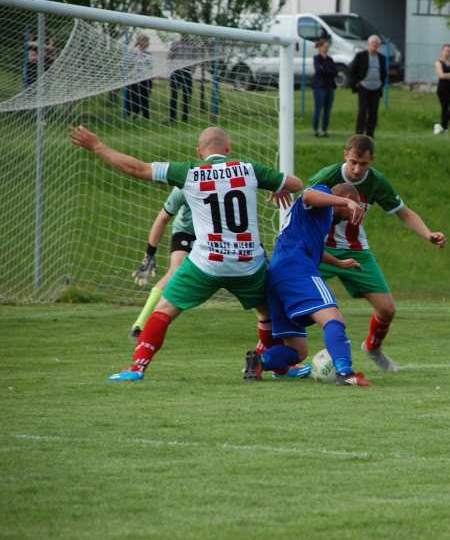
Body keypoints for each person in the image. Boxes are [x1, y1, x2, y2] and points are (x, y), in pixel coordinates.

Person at [68, 125, 303, 382]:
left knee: (165, 308)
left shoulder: (189, 172)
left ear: (199, 152)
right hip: (247, 263)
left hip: (207, 263)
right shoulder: (250, 168)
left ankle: (137, 368)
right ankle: (273, 364)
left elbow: (136, 168)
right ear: (228, 148)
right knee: (266, 312)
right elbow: (295, 184)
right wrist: (276, 186)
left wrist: (97, 146)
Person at [308, 135, 446, 372]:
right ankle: (277, 354)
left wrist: (428, 234)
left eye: (363, 164)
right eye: (353, 162)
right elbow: (305, 199)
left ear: (371, 162)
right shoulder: (328, 176)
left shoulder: (376, 182)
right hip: (321, 250)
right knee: (289, 299)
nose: (357, 169)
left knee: (387, 310)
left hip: (358, 252)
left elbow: (403, 212)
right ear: (345, 155)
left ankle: (373, 347)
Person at [244, 183, 372, 386]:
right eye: (349, 214)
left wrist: (339, 263)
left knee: (298, 351)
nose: (348, 219)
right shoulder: (323, 194)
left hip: (277, 276)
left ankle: (260, 361)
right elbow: (308, 196)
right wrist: (346, 202)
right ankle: (345, 373)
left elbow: (312, 248)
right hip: (297, 270)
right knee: (334, 320)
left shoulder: (318, 219)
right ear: (348, 196)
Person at [128, 187, 195, 340]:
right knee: (177, 271)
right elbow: (162, 218)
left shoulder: (228, 178)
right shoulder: (184, 184)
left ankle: (262, 321)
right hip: (187, 232)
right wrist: (149, 255)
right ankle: (141, 324)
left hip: (216, 233)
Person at [349, 35, 387, 138]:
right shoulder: (360, 56)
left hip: (376, 88)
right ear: (368, 44)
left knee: (373, 112)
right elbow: (352, 70)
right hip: (364, 87)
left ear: (378, 46)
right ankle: (359, 133)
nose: (374, 45)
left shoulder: (382, 58)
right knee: (363, 110)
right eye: (372, 43)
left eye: (376, 44)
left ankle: (370, 134)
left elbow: (384, 73)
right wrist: (357, 82)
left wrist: (381, 84)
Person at [312, 38, 338, 138]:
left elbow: (335, 72)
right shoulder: (316, 58)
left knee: (327, 110)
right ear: (319, 47)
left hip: (330, 87)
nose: (326, 48)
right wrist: (328, 71)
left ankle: (324, 130)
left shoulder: (330, 59)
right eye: (324, 46)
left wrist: (326, 70)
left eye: (327, 47)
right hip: (319, 87)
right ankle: (316, 130)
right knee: (318, 109)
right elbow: (319, 70)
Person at [168, 35, 196, 124]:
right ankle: (172, 118)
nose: (185, 35)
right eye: (183, 34)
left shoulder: (192, 46)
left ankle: (185, 117)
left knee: (187, 96)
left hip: (187, 72)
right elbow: (169, 57)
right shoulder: (175, 44)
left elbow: (195, 59)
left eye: (186, 34)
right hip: (176, 72)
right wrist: (171, 68)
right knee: (174, 95)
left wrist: (192, 71)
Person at [127, 34, 153, 119]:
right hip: (135, 78)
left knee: (145, 98)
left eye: (147, 41)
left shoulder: (149, 53)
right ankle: (134, 114)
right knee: (135, 97)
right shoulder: (133, 52)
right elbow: (129, 64)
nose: (147, 43)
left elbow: (150, 67)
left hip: (146, 79)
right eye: (145, 41)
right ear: (140, 42)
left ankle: (146, 116)